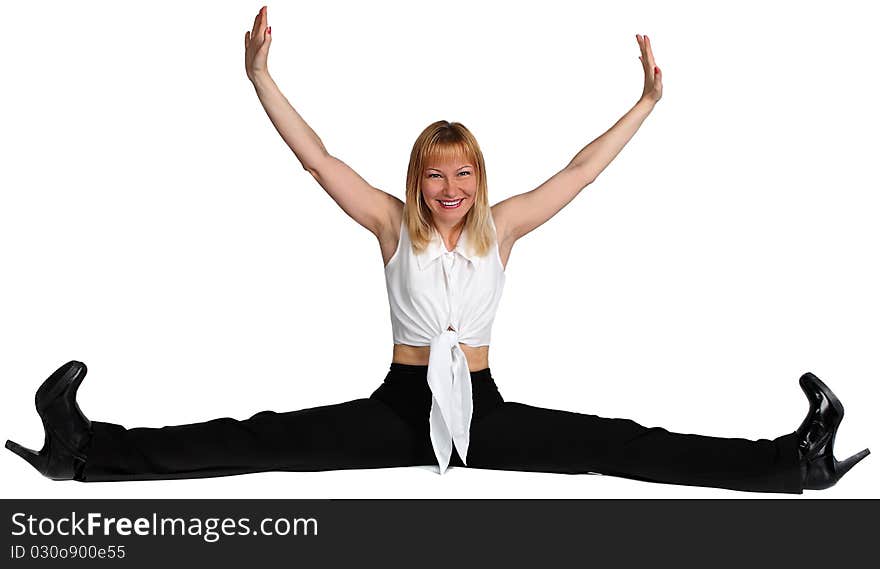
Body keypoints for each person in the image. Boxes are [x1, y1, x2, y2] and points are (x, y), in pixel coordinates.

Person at [6, 6, 870, 492]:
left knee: (624, 442)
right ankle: (82, 449)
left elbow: (580, 169)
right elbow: (317, 160)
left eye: (462, 175)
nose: (449, 189)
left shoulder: (509, 225)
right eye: (435, 176)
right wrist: (261, 78)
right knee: (257, 437)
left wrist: (645, 103)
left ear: (478, 178)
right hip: (400, 403)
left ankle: (795, 461)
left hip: (484, 407)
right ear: (416, 181)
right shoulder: (391, 225)